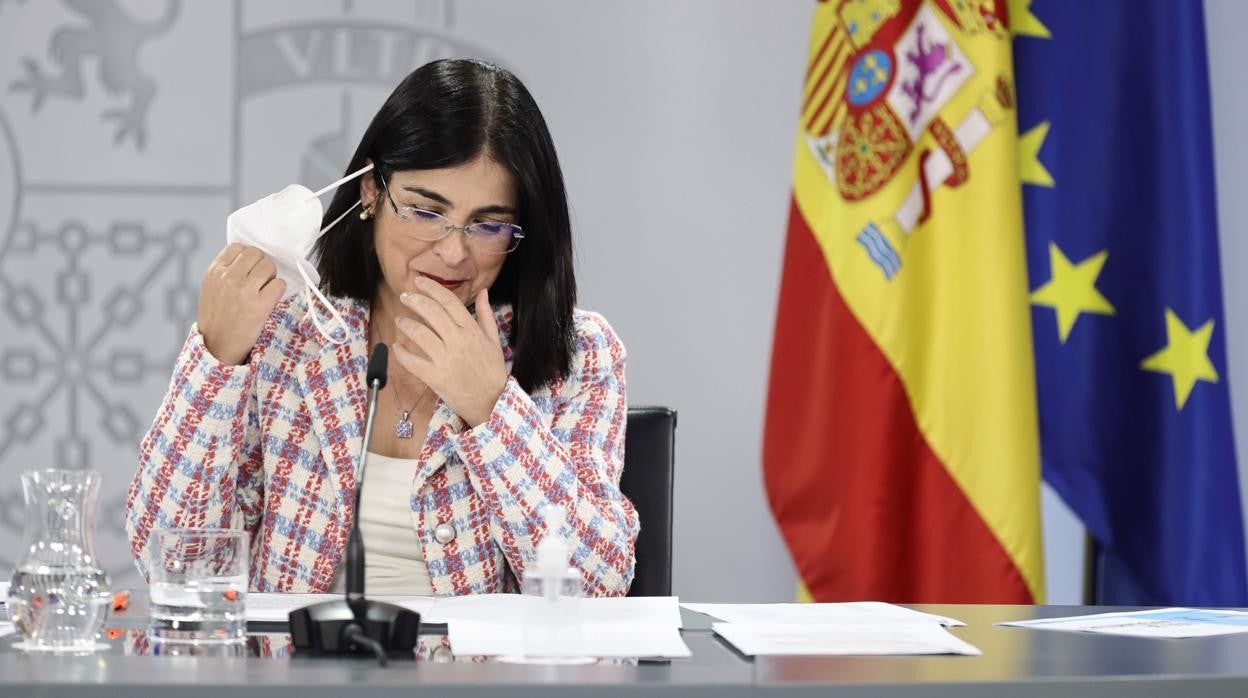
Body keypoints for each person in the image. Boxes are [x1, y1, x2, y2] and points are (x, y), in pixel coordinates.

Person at [125, 59, 638, 597]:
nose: (452, 251)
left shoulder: (579, 354)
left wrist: (492, 408)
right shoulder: (287, 333)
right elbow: (174, 563)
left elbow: (599, 587)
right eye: (424, 211)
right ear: (371, 192)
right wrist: (216, 363)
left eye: (487, 225)